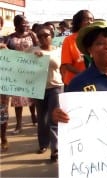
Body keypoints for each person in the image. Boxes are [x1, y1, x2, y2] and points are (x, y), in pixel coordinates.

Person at [28, 24, 64, 162]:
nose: (43, 38)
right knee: (42, 118)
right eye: (40, 36)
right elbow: (18, 60)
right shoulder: (32, 50)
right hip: (39, 87)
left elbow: (57, 65)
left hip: (55, 86)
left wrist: (44, 57)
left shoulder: (58, 50)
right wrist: (5, 50)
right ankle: (43, 144)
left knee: (54, 118)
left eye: (46, 35)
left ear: (52, 36)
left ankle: (55, 148)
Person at [5, 14, 38, 134]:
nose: (26, 25)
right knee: (18, 99)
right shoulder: (10, 38)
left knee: (32, 96)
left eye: (27, 23)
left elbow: (39, 49)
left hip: (31, 71)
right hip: (16, 72)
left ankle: (33, 116)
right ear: (16, 25)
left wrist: (35, 39)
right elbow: (5, 52)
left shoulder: (32, 36)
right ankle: (18, 125)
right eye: (23, 23)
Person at [60, 10, 94, 90]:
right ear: (79, 22)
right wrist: (85, 74)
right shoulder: (69, 40)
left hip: (92, 83)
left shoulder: (95, 39)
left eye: (92, 19)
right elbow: (67, 65)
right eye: (86, 19)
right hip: (73, 83)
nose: (90, 22)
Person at [0, 15, 9, 152]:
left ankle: (3, 138)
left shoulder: (4, 43)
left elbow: (14, 60)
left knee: (3, 113)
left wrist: (5, 49)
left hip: (3, 84)